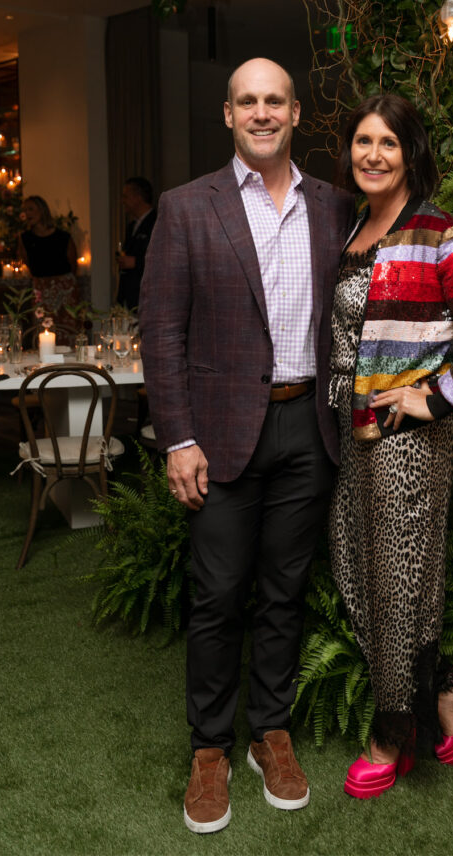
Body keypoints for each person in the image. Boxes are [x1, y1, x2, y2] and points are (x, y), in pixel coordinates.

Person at [139, 58, 355, 834]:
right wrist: (179, 438)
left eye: (275, 101)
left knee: (284, 591)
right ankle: (209, 750)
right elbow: (161, 331)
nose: (261, 112)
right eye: (247, 102)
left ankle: (270, 732)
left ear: (295, 113)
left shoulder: (334, 206)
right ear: (228, 115)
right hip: (220, 433)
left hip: (308, 428)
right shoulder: (185, 206)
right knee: (218, 596)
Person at [328, 94, 453, 798]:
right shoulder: (359, 225)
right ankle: (444, 689)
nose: (373, 154)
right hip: (357, 434)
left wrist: (434, 398)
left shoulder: (438, 232)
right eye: (362, 141)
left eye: (388, 142)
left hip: (408, 444)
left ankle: (392, 733)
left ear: (410, 153)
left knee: (395, 585)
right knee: (356, 568)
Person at [17, 195, 79, 346]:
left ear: (42, 210)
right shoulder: (25, 238)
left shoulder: (62, 237)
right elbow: (27, 262)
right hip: (41, 290)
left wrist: (62, 285)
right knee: (43, 330)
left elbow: (73, 264)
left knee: (67, 329)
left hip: (64, 290)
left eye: (31, 209)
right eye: (25, 210)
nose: (27, 213)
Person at [116, 177, 157, 310]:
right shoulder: (132, 226)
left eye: (125, 197)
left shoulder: (157, 222)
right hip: (131, 295)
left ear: (138, 197)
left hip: (148, 295)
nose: (122, 201)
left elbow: (163, 258)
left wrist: (136, 262)